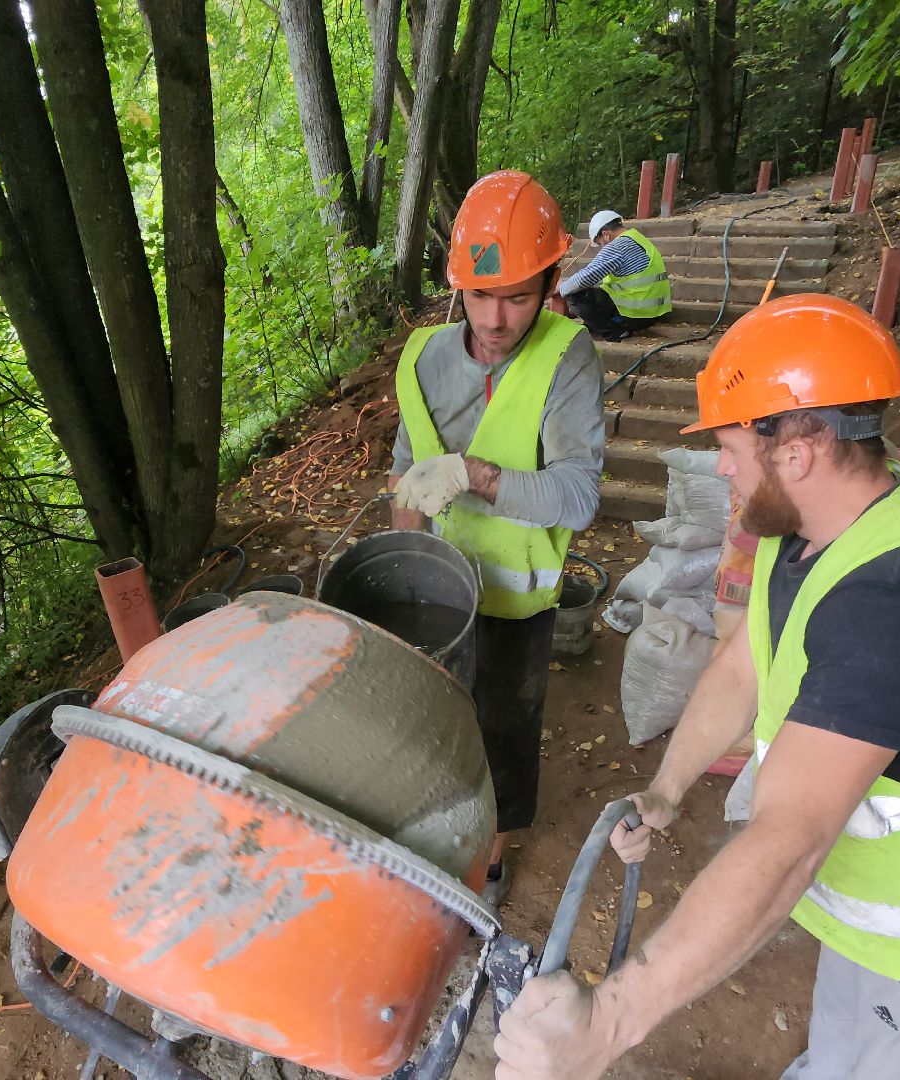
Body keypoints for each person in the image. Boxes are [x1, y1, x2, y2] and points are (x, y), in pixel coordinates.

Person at [493, 293, 900, 1080]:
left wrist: (608, 1025)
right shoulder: (807, 526)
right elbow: (744, 665)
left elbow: (789, 839)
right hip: (875, 913)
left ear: (798, 448)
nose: (720, 466)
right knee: (846, 1048)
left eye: (729, 445)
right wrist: (667, 788)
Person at [389, 170, 606, 903]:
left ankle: (492, 856)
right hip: (440, 589)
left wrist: (477, 476)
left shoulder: (565, 358)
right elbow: (403, 475)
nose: (495, 318)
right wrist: (403, 577)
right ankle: (434, 825)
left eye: (517, 296)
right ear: (458, 287)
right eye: (480, 295)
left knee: (507, 727)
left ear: (549, 284)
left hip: (516, 600)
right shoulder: (423, 359)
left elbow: (577, 499)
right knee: (434, 717)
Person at [557, 209, 673, 342]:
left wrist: (560, 288)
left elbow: (585, 278)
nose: (602, 247)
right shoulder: (636, 238)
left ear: (606, 235)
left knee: (574, 295)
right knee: (593, 291)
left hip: (637, 314)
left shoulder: (617, 246)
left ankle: (614, 333)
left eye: (600, 243)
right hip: (652, 312)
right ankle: (596, 326)